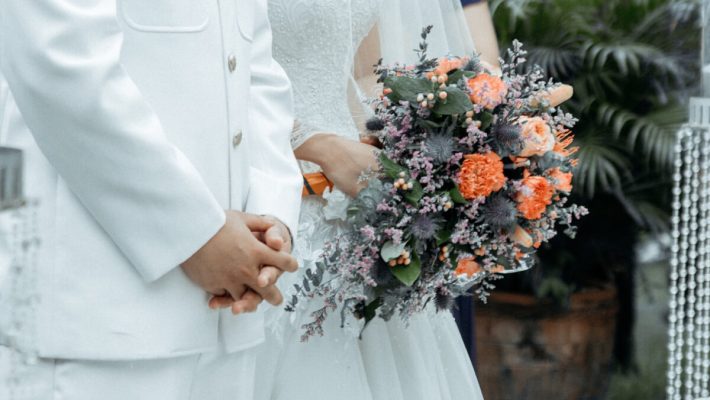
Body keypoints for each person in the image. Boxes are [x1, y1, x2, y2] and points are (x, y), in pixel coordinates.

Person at [0, 1, 302, 399]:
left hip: (232, 313)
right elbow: (58, 60)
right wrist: (196, 234)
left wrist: (271, 217)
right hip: (98, 312)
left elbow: (257, 68)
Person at [250, 1, 486, 399]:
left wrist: (410, 149)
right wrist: (316, 145)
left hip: (358, 196)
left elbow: (361, 72)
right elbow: (206, 80)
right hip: (272, 191)